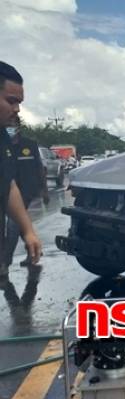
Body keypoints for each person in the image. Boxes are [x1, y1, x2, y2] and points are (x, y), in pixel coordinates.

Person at [0, 61, 42, 282]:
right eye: (11, 101)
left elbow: (7, 183)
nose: (17, 109)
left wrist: (28, 231)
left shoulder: (3, 139)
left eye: (19, 102)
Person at [5, 117, 49, 267]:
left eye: (13, 125)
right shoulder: (4, 145)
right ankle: (33, 250)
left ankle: (5, 261)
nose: (10, 128)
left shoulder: (29, 145)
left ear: (18, 126)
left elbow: (40, 168)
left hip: (26, 191)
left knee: (13, 224)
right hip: (8, 190)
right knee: (21, 224)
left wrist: (45, 190)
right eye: (7, 125)